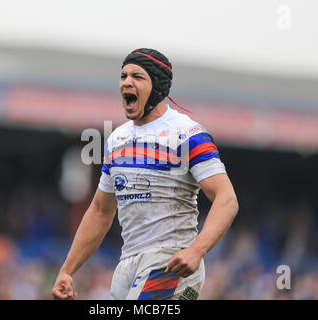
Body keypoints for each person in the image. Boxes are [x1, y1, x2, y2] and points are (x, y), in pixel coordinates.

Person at [52, 48, 238, 300]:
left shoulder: (188, 134)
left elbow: (226, 199)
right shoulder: (117, 138)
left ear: (158, 87)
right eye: (123, 76)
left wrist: (197, 251)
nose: (127, 82)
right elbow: (100, 210)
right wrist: (67, 270)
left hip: (170, 261)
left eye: (137, 77)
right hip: (128, 264)